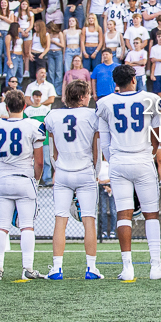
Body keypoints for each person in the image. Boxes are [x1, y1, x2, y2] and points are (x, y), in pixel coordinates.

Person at [96, 64, 161, 280]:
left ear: (115, 83)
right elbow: (159, 131)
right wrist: (151, 152)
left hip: (119, 160)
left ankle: (127, 267)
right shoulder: (151, 99)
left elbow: (105, 141)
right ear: (134, 79)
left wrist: (115, 159)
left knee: (124, 214)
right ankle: (155, 265)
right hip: (142, 158)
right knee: (151, 214)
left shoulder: (105, 103)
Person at [43, 79, 102, 280]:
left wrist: (56, 167)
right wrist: (96, 171)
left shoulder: (53, 115)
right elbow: (97, 147)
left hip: (63, 171)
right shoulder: (92, 115)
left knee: (60, 220)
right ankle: (91, 267)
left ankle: (57, 267)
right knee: (89, 220)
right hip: (85, 171)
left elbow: (52, 149)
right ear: (83, 96)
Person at [0, 89, 44, 280]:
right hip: (24, 177)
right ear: (24, 106)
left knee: (1, 226)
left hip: (3, 178)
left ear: (6, 107)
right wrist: (36, 178)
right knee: (27, 226)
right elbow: (39, 161)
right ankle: (27, 268)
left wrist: (3, 174)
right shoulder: (34, 125)